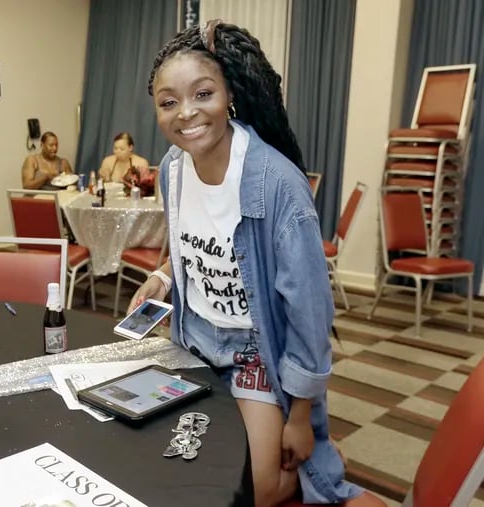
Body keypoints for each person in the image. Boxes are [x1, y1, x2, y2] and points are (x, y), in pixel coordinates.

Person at [128, 20, 360, 506]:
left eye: (202, 93)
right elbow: (189, 243)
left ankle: (313, 464)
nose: (186, 113)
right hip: (192, 342)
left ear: (229, 93)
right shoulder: (171, 168)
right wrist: (162, 276)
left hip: (255, 353)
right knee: (161, 460)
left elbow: (310, 314)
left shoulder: (277, 185)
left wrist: (300, 417)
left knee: (251, 492)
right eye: (169, 102)